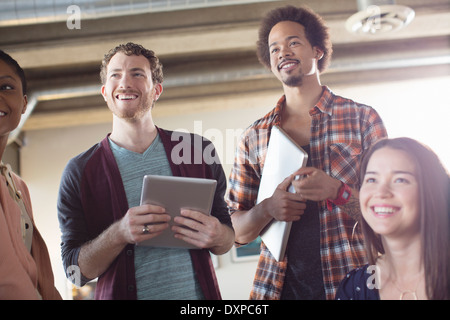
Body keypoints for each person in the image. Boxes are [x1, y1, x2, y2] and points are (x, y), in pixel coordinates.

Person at [227, 5, 387, 300]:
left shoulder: (362, 119)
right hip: (276, 289)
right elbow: (236, 232)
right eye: (274, 49)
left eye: (293, 43)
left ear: (317, 50)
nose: (283, 53)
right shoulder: (254, 137)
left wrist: (336, 190)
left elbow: (386, 213)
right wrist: (267, 209)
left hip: (352, 284)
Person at [57, 42, 234, 300]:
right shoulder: (79, 171)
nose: (125, 83)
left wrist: (217, 234)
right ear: (105, 92)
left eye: (137, 74)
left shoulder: (197, 150)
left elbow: (227, 239)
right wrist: (119, 233)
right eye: (115, 75)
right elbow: (74, 273)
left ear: (157, 90)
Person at [336, 137, 450, 300]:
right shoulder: (354, 287)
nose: (381, 192)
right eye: (372, 179)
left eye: (400, 180)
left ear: (431, 193)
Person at [0, 50, 61, 299]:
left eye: (5, 86)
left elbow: (38, 276)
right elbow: (8, 280)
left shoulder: (17, 185)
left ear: (24, 103)